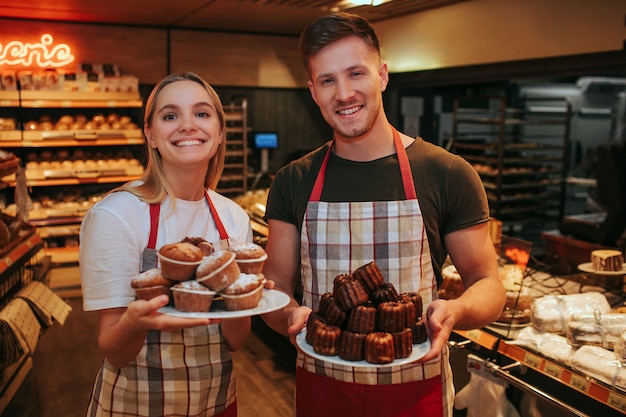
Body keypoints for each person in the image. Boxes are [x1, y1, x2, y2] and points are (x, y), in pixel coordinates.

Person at [260, 12, 506, 417]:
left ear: (382, 75)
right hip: (323, 392)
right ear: (313, 91)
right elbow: (275, 287)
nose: (343, 93)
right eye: (327, 80)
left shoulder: (447, 174)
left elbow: (489, 285)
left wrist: (456, 310)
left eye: (356, 73)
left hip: (416, 393)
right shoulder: (292, 181)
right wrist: (288, 314)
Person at [79, 72, 252, 417]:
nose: (188, 125)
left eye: (202, 114)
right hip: (136, 405)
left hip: (217, 402)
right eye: (171, 116)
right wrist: (137, 322)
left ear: (219, 133)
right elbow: (114, 350)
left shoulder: (233, 218)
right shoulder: (116, 214)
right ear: (151, 134)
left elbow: (235, 341)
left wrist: (243, 297)